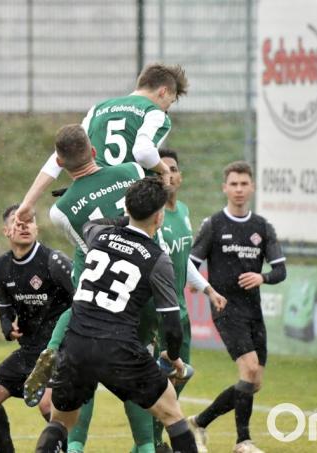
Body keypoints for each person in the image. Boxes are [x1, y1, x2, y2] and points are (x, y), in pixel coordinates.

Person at [34, 177, 198, 453]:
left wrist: (126, 218)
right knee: (172, 414)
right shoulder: (158, 259)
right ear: (159, 217)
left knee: (60, 422)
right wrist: (172, 355)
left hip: (76, 343)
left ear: (128, 211)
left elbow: (90, 223)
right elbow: (171, 323)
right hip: (118, 348)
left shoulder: (98, 236)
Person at [24, 124, 147, 452]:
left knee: (80, 340)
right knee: (143, 370)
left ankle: (51, 349)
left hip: (102, 279)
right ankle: (148, 445)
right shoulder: (132, 169)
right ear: (94, 151)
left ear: (61, 164)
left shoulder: (61, 210)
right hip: (142, 275)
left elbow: (90, 248)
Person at [187, 161, 287, 453]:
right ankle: (243, 441)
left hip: (253, 311)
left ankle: (200, 421)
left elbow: (280, 271)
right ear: (225, 188)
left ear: (252, 187)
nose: (239, 189)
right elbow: (191, 265)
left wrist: (262, 276)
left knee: (254, 382)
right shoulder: (214, 225)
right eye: (234, 184)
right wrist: (202, 287)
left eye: (244, 184)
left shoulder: (262, 227)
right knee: (250, 369)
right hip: (226, 308)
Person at [14, 62, 188, 223]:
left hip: (95, 204)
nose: (167, 108)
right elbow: (143, 152)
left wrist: (28, 202)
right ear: (163, 91)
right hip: (130, 206)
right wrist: (163, 170)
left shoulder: (98, 109)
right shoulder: (154, 112)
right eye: (170, 102)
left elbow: (60, 155)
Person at [0, 204, 74, 453]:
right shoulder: (1, 266)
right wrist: (7, 327)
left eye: (29, 222)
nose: (24, 227)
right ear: (6, 231)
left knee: (47, 406)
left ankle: (70, 449)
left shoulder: (54, 261)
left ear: (37, 227)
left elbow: (83, 299)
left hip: (59, 348)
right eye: (18, 223)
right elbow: (5, 308)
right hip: (30, 351)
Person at [146, 149, 226, 453]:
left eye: (173, 169)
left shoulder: (183, 211)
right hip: (158, 313)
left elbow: (185, 261)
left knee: (181, 373)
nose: (168, 174)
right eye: (160, 170)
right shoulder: (151, 217)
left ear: (179, 176)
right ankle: (151, 442)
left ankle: (158, 436)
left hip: (181, 311)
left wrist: (207, 289)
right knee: (159, 378)